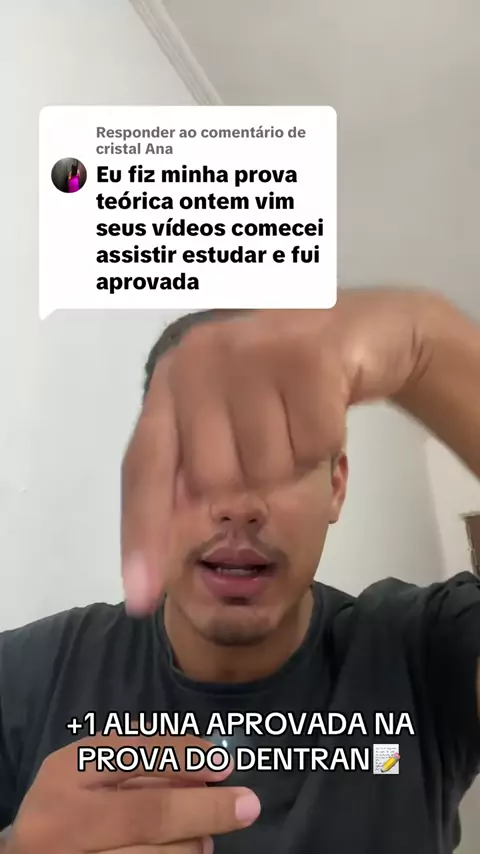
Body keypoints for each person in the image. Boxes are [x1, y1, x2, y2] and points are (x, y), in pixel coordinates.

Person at [2, 287, 480, 854]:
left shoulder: (426, 657)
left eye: (284, 455)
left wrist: (423, 345)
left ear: (335, 486)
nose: (238, 505)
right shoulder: (25, 678)